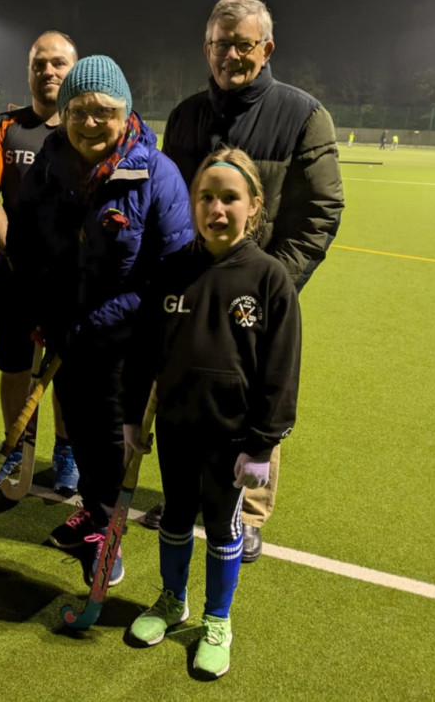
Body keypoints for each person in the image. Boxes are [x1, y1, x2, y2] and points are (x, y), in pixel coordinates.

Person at [156, 0, 342, 562]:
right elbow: (169, 204)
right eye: (221, 43)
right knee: (188, 388)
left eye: (244, 44)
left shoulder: (304, 114)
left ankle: (251, 511)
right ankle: (183, 497)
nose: (232, 55)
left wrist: (271, 284)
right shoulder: (187, 115)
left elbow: (320, 212)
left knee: (257, 395)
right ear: (206, 47)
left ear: (267, 49)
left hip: (255, 292)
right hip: (191, 288)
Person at [8, 55, 192, 587]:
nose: (91, 123)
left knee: (110, 441)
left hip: (124, 344)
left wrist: (93, 321)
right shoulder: (49, 163)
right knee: (83, 432)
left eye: (104, 111)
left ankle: (107, 541)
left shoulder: (156, 173)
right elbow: (25, 241)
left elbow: (170, 271)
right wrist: (46, 311)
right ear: (64, 114)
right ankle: (92, 516)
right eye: (79, 111)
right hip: (67, 334)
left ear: (125, 113)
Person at [123, 147, 301, 679]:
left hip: (232, 439)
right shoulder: (171, 272)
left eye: (230, 199)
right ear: (194, 203)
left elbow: (281, 371)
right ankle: (170, 600)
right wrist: (134, 415)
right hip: (178, 427)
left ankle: (217, 619)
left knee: (223, 526)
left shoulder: (270, 279)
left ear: (253, 207)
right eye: (206, 197)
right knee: (175, 516)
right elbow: (143, 354)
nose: (216, 210)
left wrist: (263, 444)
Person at [0, 31, 79, 494]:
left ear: (72, 70)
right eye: (40, 64)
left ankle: (67, 452)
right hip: (14, 277)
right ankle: (17, 445)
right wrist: (16, 253)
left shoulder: (86, 126)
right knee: (14, 365)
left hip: (69, 282)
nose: (49, 71)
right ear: (28, 71)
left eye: (58, 64)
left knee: (68, 369)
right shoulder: (4, 126)